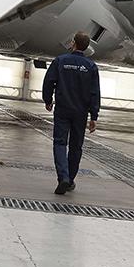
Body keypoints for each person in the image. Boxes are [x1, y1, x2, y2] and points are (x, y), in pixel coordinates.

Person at [42, 31, 101, 195]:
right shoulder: (90, 66)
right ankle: (70, 179)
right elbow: (94, 92)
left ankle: (64, 177)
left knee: (60, 143)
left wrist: (48, 100)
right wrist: (94, 116)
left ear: (73, 43)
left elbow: (49, 81)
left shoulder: (60, 61)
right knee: (76, 146)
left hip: (63, 109)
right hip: (80, 112)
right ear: (87, 46)